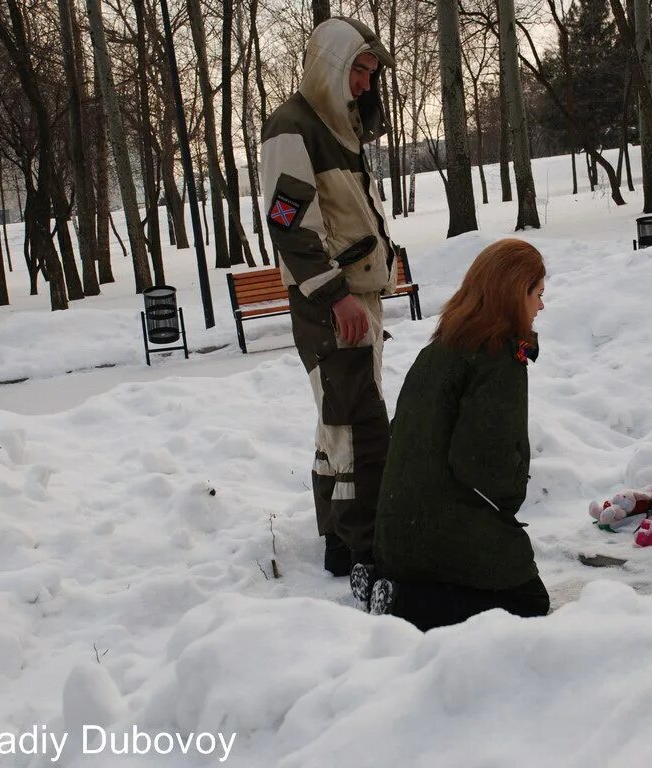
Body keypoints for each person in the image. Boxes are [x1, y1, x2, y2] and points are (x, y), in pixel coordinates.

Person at [259, 17, 398, 578]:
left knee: (337, 423)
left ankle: (340, 547)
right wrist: (336, 297)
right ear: (332, 68)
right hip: (330, 303)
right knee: (360, 428)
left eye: (371, 74)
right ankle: (368, 552)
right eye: (358, 71)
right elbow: (291, 226)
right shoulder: (292, 127)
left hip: (353, 298)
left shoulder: (342, 130)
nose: (366, 84)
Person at [353, 239, 551, 631]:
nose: (542, 307)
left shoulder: (443, 347)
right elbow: (483, 467)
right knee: (529, 601)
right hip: (437, 530)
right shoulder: (498, 359)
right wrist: (509, 503)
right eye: (538, 294)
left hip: (395, 533)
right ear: (515, 294)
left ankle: (385, 583)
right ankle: (405, 604)